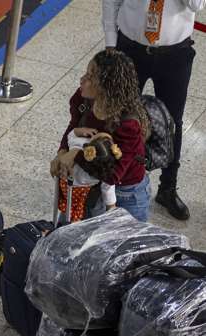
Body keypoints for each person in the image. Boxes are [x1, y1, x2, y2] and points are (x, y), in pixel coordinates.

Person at [104, 0, 204, 221]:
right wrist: (111, 43)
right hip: (130, 49)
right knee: (118, 116)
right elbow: (111, 1)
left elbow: (197, 5)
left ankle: (168, 187)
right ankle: (111, 182)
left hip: (175, 54)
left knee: (173, 122)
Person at [51, 49, 151, 222]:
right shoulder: (83, 98)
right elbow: (74, 126)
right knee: (69, 232)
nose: (82, 79)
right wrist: (61, 153)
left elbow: (112, 175)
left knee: (122, 239)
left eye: (90, 77)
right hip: (89, 184)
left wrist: (75, 154)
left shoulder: (128, 124)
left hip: (125, 193)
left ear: (106, 86)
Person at [58, 131, 121, 221]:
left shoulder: (75, 151)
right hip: (89, 201)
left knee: (65, 219)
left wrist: (79, 130)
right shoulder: (105, 173)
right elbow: (109, 197)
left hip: (67, 196)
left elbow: (70, 136)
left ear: (89, 150)